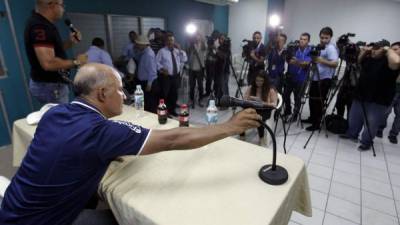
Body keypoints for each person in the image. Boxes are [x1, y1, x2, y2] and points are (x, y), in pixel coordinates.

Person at [0, 63, 261, 225]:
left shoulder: (55, 112)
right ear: (102, 93)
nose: (125, 96)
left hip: (12, 209)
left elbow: (69, 148)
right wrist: (231, 126)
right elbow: (172, 139)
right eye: (121, 89)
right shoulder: (101, 131)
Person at [25, 0, 88, 104]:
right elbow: (48, 63)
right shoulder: (40, 27)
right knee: (61, 118)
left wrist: (71, 42)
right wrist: (76, 62)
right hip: (50, 86)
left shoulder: (45, 24)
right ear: (51, 5)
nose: (63, 8)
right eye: (62, 5)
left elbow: (54, 51)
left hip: (51, 84)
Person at [341, 41, 400, 151]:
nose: (374, 50)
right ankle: (352, 134)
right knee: (354, 118)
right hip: (361, 94)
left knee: (371, 123)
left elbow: (396, 61)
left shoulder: (390, 61)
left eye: (377, 48)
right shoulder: (369, 58)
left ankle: (366, 142)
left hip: (379, 99)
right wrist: (366, 51)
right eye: (374, 48)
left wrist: (388, 50)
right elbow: (358, 61)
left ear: (384, 50)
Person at [302, 27, 339, 131]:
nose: (323, 40)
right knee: (312, 100)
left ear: (330, 37)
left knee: (318, 102)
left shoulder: (331, 48)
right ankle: (312, 118)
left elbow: (335, 63)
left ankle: (316, 123)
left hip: (324, 79)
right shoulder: (320, 47)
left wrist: (320, 60)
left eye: (326, 38)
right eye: (322, 37)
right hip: (315, 77)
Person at [241, 71, 278, 145]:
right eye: (257, 80)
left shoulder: (270, 90)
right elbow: (244, 99)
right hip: (254, 108)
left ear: (265, 81)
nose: (259, 82)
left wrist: (263, 103)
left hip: (265, 110)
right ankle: (242, 135)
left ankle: (261, 137)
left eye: (261, 81)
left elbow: (274, 105)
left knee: (258, 119)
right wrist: (249, 98)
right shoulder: (252, 87)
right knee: (242, 115)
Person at [156, 33, 187, 116]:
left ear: (174, 41)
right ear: (166, 41)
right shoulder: (162, 51)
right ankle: (165, 112)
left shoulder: (177, 51)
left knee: (174, 94)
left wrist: (180, 49)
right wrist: (162, 69)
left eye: (172, 40)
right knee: (165, 94)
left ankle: (172, 110)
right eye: (169, 40)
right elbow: (156, 63)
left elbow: (184, 59)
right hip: (166, 77)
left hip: (176, 76)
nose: (170, 42)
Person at [284, 33, 312, 122]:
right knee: (285, 95)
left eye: (304, 39)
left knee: (298, 98)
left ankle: (295, 115)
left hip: (302, 79)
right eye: (301, 39)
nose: (302, 41)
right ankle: (287, 111)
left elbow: (306, 64)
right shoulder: (294, 48)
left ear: (308, 41)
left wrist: (298, 62)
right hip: (290, 76)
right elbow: (289, 60)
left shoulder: (310, 50)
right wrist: (300, 63)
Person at [376, 42, 400, 144]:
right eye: (392, 49)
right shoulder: (390, 60)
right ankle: (380, 129)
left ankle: (394, 134)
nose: (393, 51)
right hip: (393, 90)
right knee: (385, 111)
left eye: (396, 49)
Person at [134, 35, 158, 113]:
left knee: (150, 103)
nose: (136, 45)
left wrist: (149, 84)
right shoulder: (143, 52)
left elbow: (152, 71)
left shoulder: (148, 54)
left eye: (138, 44)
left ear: (143, 44)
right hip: (143, 82)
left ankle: (150, 120)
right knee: (143, 102)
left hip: (148, 82)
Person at [187, 33, 207, 108]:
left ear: (201, 37)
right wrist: (191, 46)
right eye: (196, 35)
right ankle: (191, 100)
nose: (197, 37)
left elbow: (205, 54)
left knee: (200, 86)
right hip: (192, 68)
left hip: (200, 69)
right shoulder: (191, 45)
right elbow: (188, 53)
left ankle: (200, 99)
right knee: (192, 86)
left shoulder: (203, 45)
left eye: (199, 35)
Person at [215, 34, 231, 105]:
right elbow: (217, 58)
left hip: (225, 71)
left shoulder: (227, 49)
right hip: (218, 69)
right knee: (219, 85)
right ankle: (219, 100)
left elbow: (223, 57)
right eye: (220, 39)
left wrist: (216, 51)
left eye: (222, 39)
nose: (220, 40)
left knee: (224, 86)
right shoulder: (218, 47)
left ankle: (226, 103)